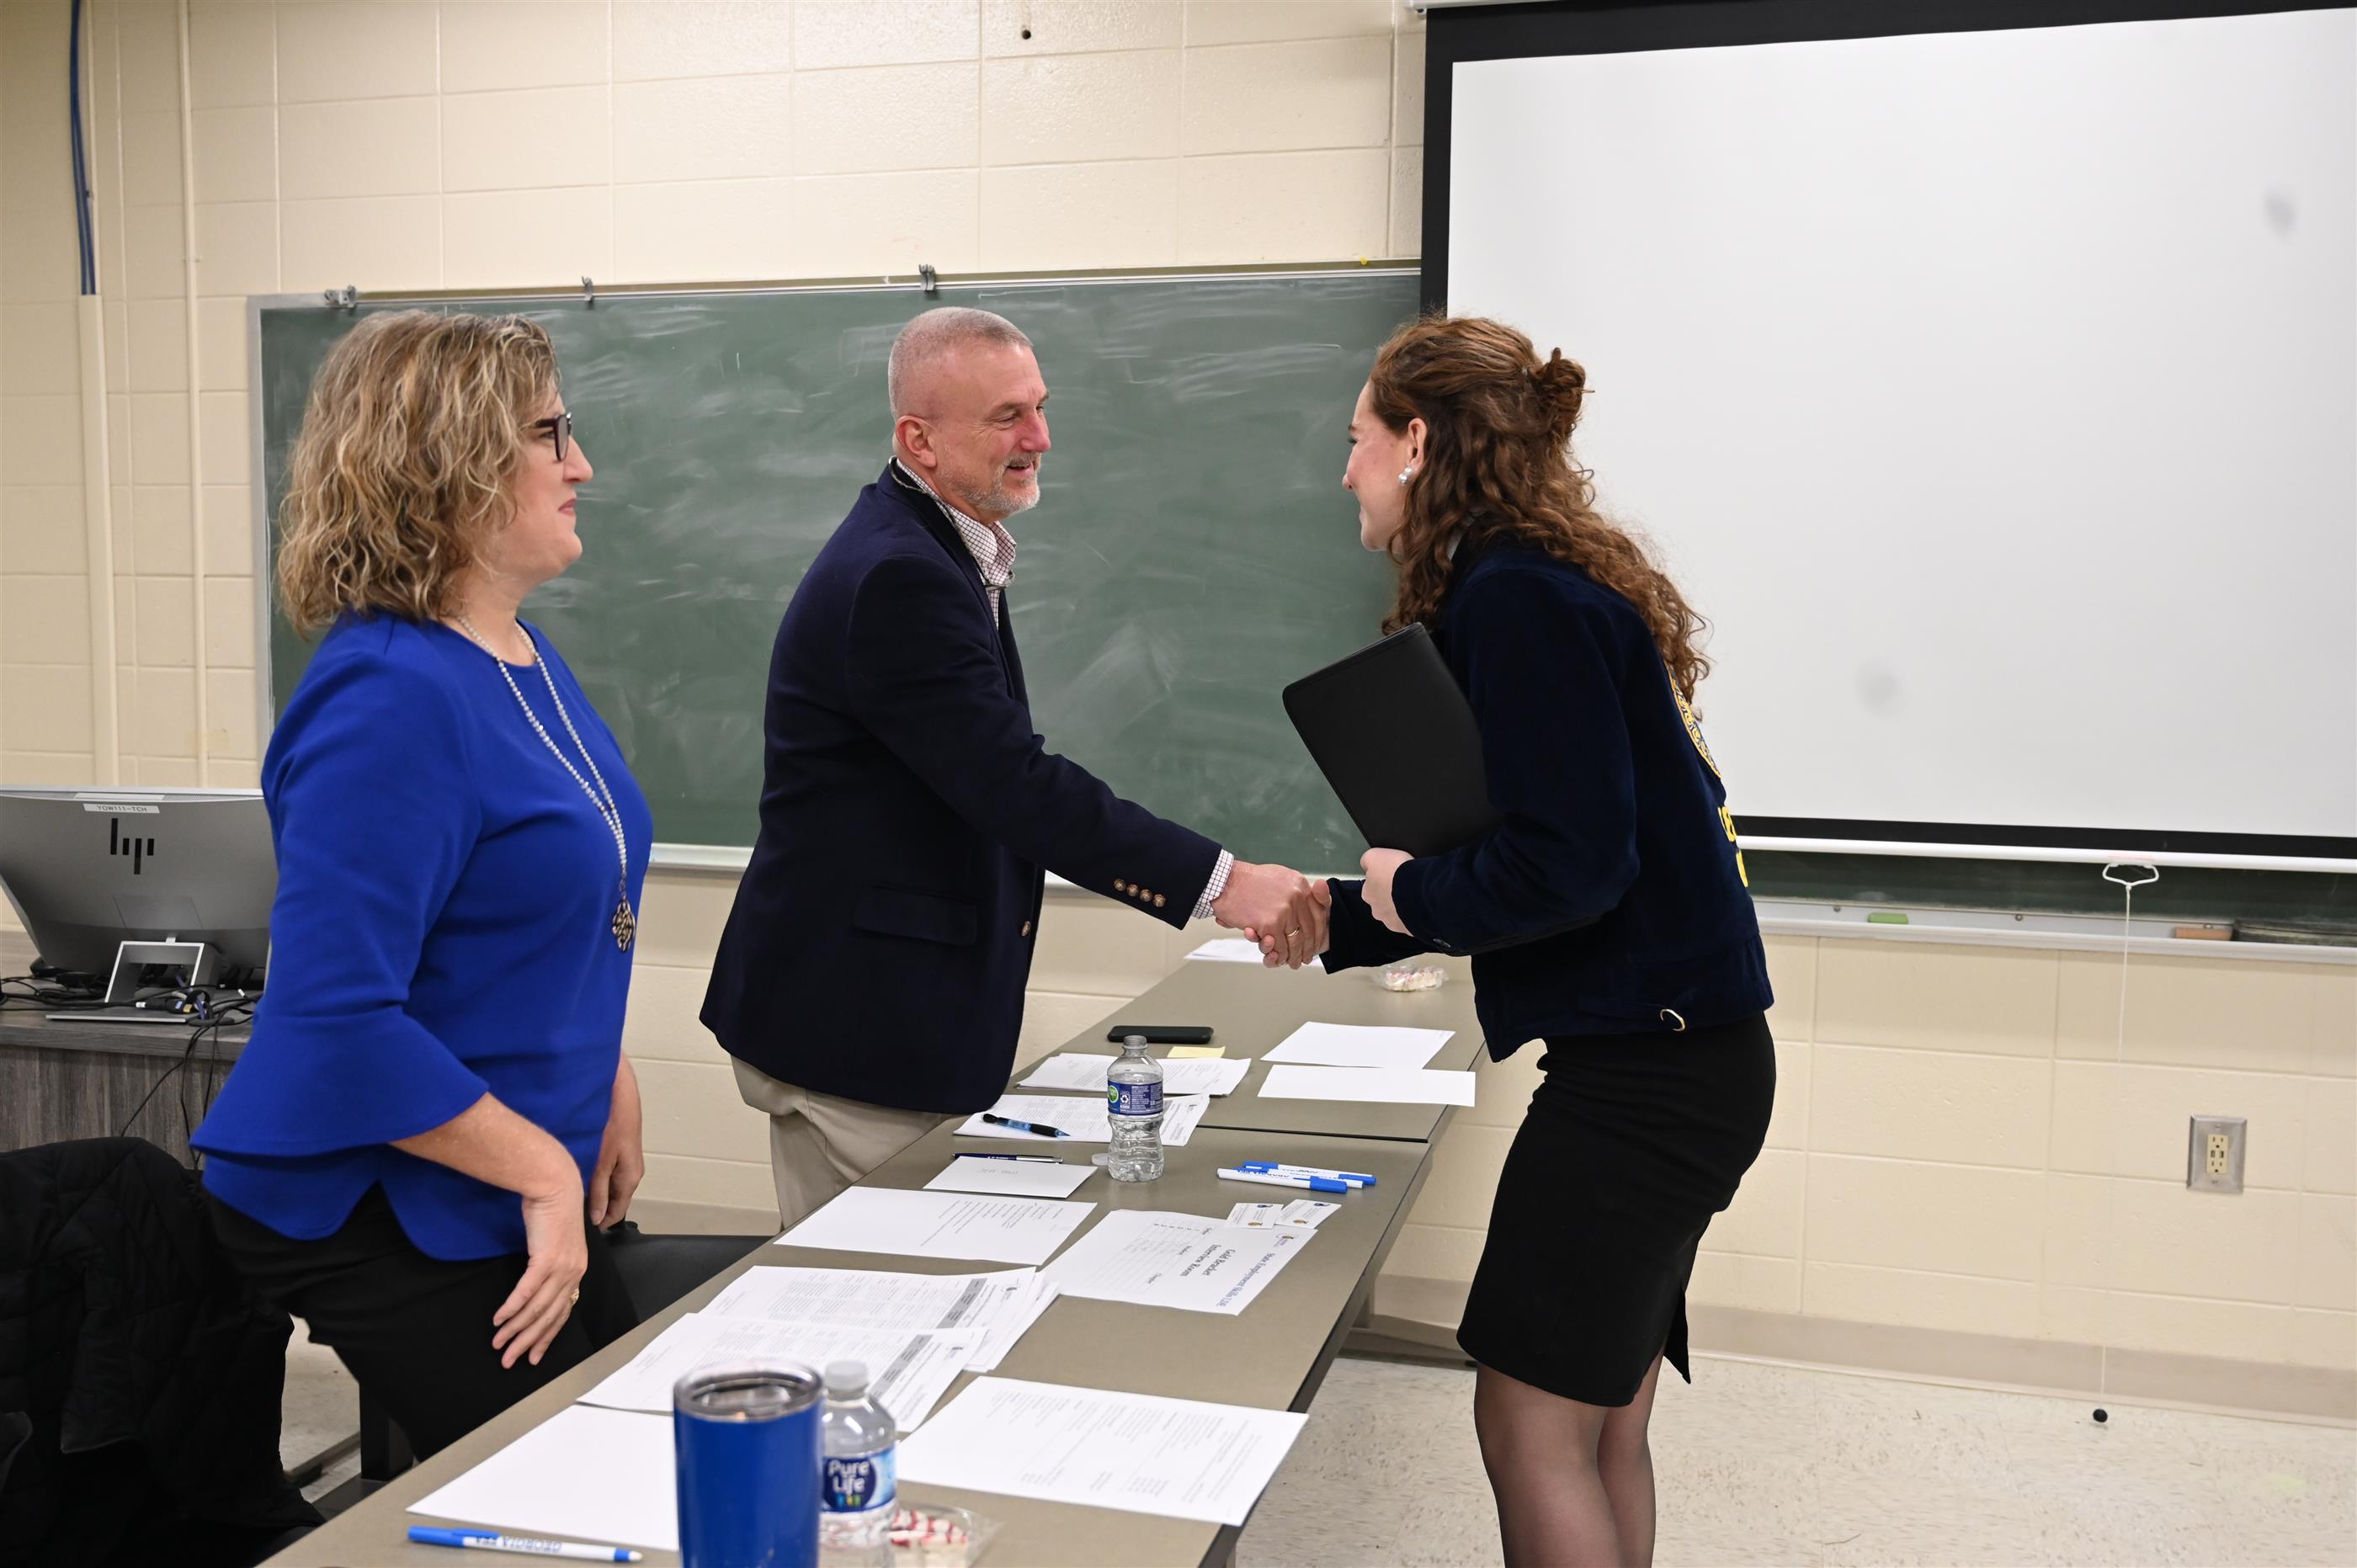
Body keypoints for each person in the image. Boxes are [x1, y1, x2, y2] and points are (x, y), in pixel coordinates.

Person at [1311, 316, 1774, 1566]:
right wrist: (1334, 914)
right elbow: (1516, 853)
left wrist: (1409, 893)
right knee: (1602, 1422)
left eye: (1355, 441)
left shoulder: (1515, 599)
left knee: (1530, 1424)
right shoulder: (1536, 581)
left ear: (1417, 442)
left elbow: (1567, 866)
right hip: (1687, 1061)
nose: (1343, 472)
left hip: (1645, 1084)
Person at [703, 306, 1330, 1226]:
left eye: (1039, 408)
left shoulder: (936, 549)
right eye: (1006, 417)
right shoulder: (900, 576)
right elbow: (1014, 786)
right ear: (919, 440)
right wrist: (1224, 885)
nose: (1039, 438)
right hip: (859, 1032)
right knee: (876, 1287)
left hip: (889, 1021)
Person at [193, 311, 650, 1459]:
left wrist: (606, 1069)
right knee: (580, 1481)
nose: (582, 466)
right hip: (368, 1192)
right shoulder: (389, 697)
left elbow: (541, 905)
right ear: (451, 464)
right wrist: (543, 1170)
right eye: (549, 434)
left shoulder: (518, 657)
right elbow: (336, 1019)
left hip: (490, 1162)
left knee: (642, 1439)